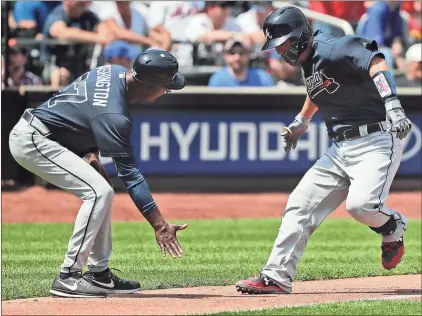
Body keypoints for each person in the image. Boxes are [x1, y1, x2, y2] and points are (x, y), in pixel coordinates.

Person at [236, 6, 412, 295]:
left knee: (361, 206)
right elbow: (317, 88)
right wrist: (301, 121)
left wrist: (392, 101)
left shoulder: (335, 46)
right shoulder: (309, 62)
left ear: (302, 35)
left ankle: (392, 225)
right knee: (299, 204)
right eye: (277, 46)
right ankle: (276, 276)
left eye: (284, 43)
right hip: (340, 147)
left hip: (377, 138)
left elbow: (375, 61)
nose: (280, 51)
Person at [9, 49, 187, 298]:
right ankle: (68, 276)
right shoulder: (115, 116)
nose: (165, 92)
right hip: (34, 139)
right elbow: (131, 175)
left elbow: (82, 107)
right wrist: (159, 225)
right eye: (166, 87)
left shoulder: (112, 71)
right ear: (150, 86)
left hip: (46, 134)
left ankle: (100, 274)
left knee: (102, 189)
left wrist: (91, 153)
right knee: (98, 192)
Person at [41, 0, 112, 88]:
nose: (83, 2)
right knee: (61, 75)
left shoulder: (89, 16)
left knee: (108, 71)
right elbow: (60, 32)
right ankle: (57, 100)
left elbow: (106, 35)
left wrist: (101, 38)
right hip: (53, 66)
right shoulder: (58, 14)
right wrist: (96, 38)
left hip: (82, 66)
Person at [357, 1, 405, 70]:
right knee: (385, 54)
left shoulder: (395, 9)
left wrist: (397, 43)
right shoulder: (378, 9)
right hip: (366, 51)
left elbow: (396, 34)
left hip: (388, 49)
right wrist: (396, 57)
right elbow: (375, 44)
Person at [208, 37, 274, 87]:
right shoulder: (218, 79)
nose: (237, 57)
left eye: (241, 53)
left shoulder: (263, 78)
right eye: (232, 52)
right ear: (225, 55)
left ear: (249, 54)